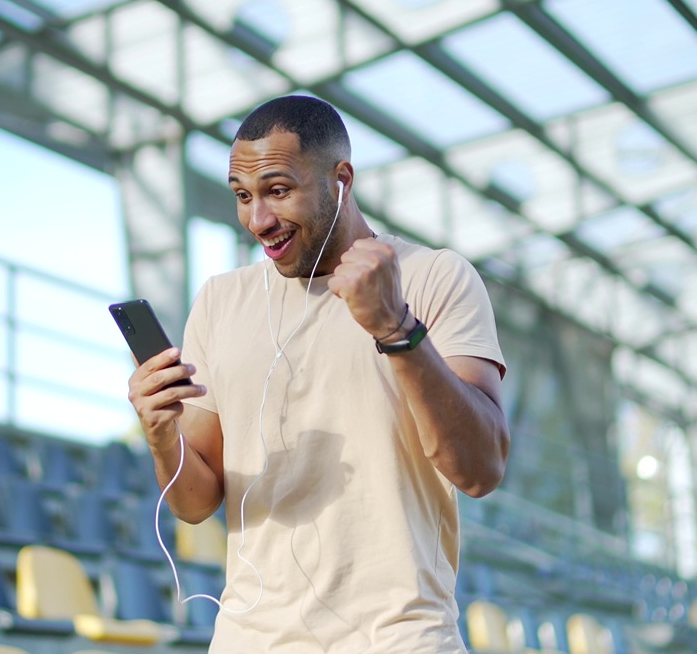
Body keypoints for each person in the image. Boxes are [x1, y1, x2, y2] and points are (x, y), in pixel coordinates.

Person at [126, 95, 510, 652]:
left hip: (398, 638)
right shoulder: (219, 300)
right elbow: (192, 504)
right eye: (242, 196)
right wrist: (160, 435)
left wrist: (396, 328)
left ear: (341, 180)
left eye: (278, 190)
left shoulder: (435, 277)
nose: (258, 219)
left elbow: (480, 469)